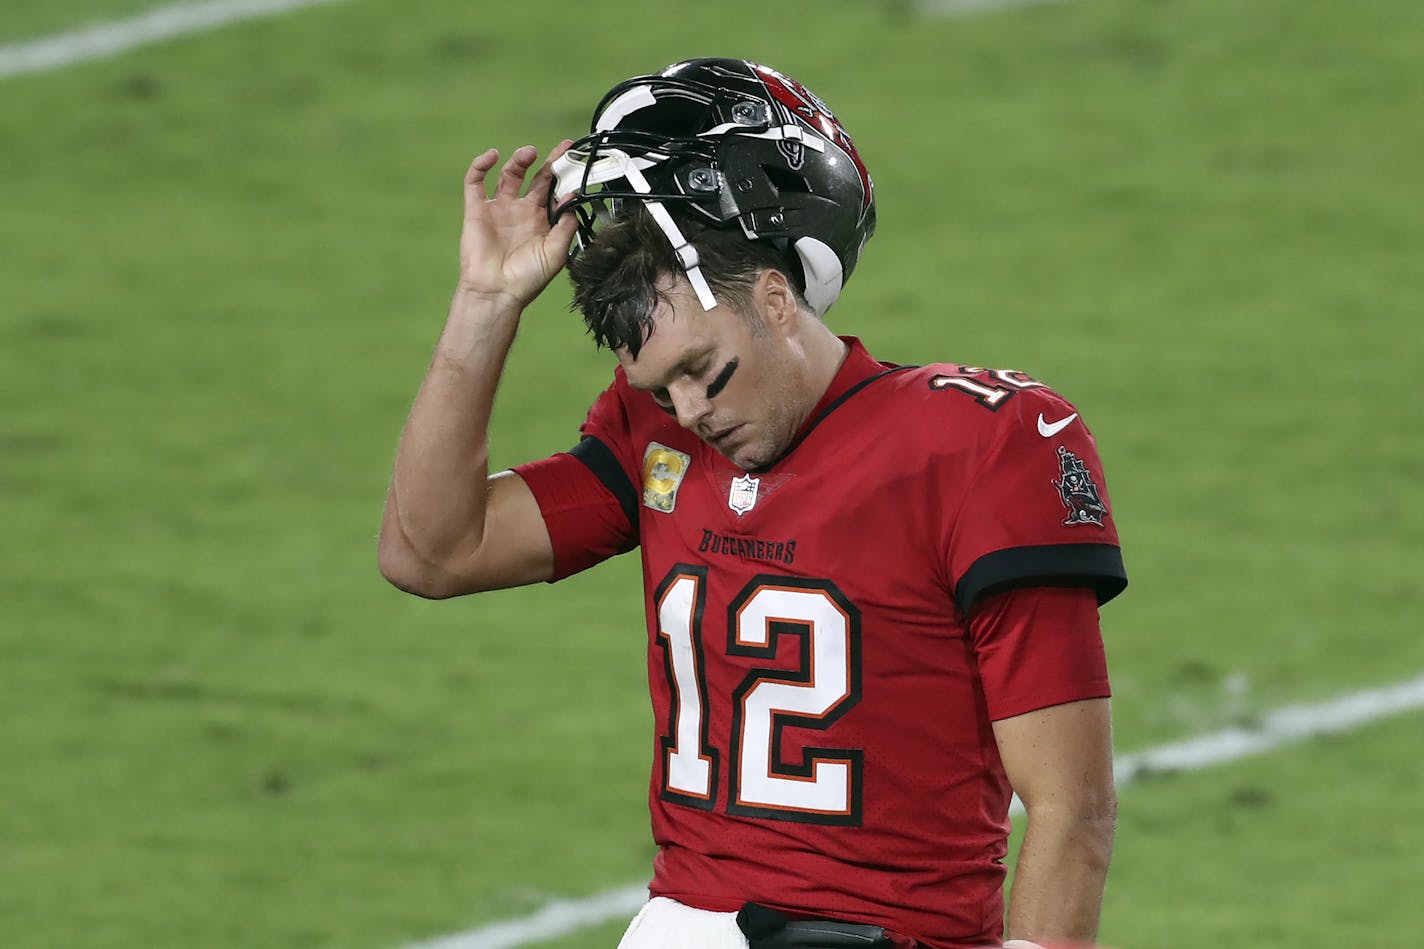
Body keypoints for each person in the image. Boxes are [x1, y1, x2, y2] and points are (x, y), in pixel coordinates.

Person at [379, 58, 1126, 949]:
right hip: (682, 925)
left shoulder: (976, 444)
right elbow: (432, 550)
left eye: (701, 372)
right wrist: (485, 301)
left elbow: (1072, 807)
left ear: (775, 297)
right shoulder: (654, 436)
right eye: (661, 392)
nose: (691, 412)